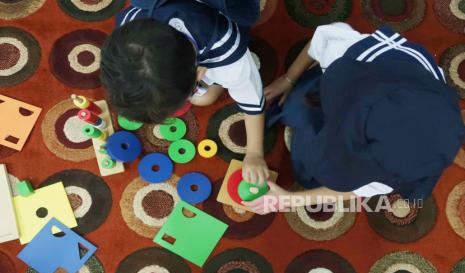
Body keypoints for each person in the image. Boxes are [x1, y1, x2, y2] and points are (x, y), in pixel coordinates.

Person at [243, 23, 465, 214]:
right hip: (345, 88)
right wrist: (289, 78)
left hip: (358, 104)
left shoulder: (405, 167)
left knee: (307, 173)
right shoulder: (354, 59)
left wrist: (290, 200)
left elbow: (358, 188)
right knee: (296, 107)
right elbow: (324, 36)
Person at [100, 0, 269, 184]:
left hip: (225, 15)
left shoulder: (226, 50)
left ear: (199, 72)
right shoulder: (129, 29)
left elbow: (252, 100)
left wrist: (254, 153)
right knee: (204, 97)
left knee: (204, 98)